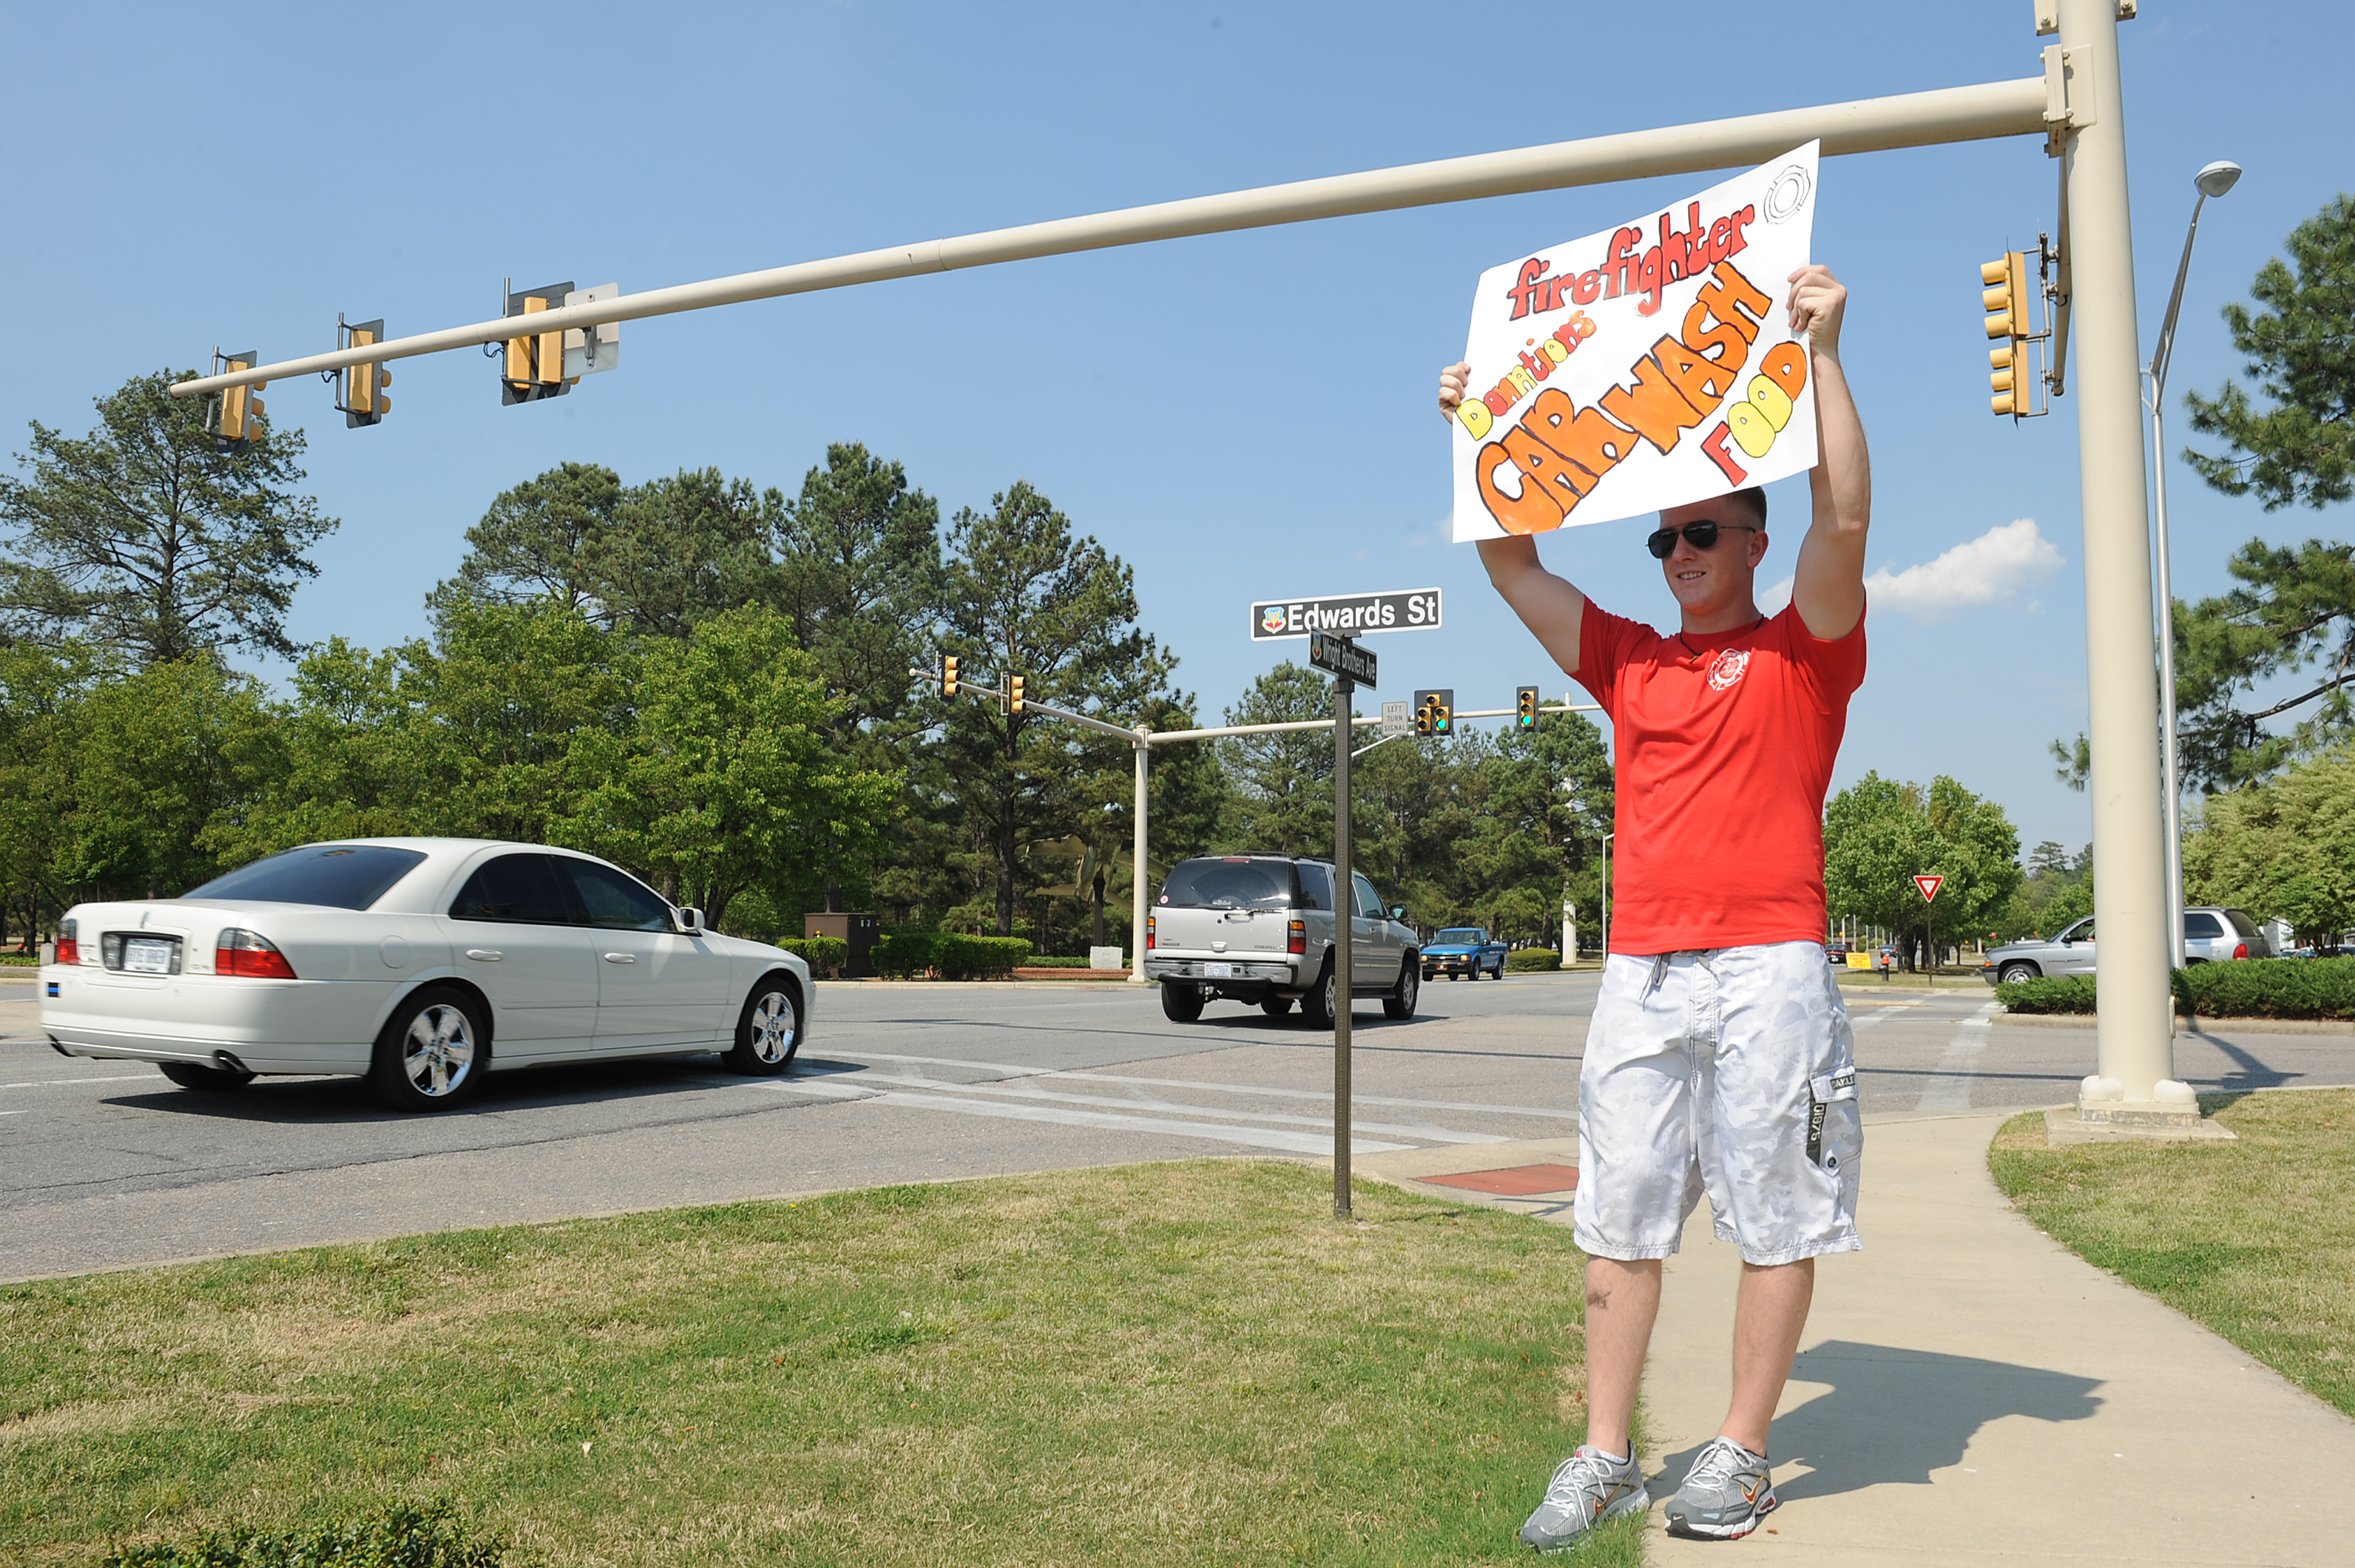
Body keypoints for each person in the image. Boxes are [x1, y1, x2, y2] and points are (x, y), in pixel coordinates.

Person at [1437, 263, 1871, 1550]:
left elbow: (1842, 521)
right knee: (1618, 1218)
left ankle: (1739, 1452)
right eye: (1662, 539)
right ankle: (1607, 1455)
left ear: (1749, 539)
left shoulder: (1807, 651)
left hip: (1772, 966)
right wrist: (1475, 427)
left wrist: (1826, 356)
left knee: (1773, 1213)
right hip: (1643, 971)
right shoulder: (1628, 660)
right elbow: (1509, 558)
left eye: (1699, 533)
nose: (1676, 556)